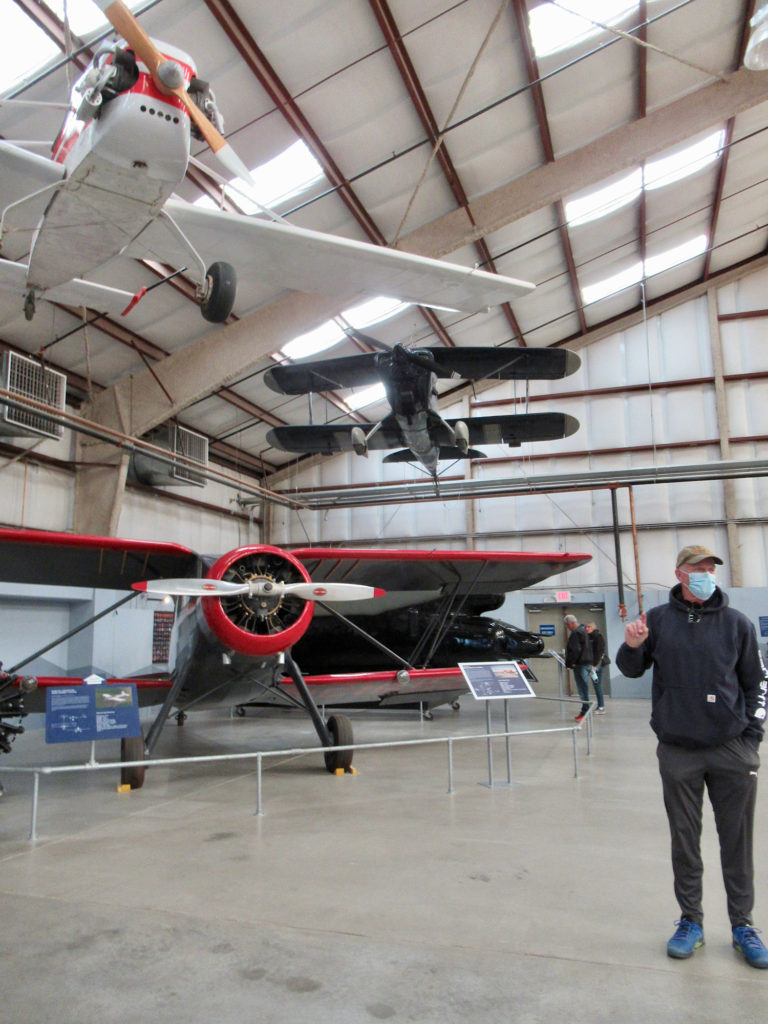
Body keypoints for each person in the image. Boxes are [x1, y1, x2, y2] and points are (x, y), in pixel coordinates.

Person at [616, 544, 768, 968]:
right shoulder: (658, 621)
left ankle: (743, 925)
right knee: (685, 842)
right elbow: (631, 669)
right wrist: (631, 646)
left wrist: (751, 740)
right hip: (679, 751)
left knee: (736, 842)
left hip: (731, 750)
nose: (705, 573)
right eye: (697, 568)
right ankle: (691, 922)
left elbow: (757, 685)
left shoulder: (737, 624)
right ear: (680, 574)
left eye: (710, 568)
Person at [564, 614, 601, 722]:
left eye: (567, 625)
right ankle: (584, 711)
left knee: (582, 689)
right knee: (584, 688)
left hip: (580, 664)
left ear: (570, 623)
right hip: (587, 663)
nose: (567, 627)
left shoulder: (576, 633)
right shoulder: (583, 631)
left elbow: (575, 650)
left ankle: (585, 712)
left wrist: (571, 663)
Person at [585, 621, 607, 714]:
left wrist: (594, 665)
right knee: (595, 685)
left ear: (593, 627)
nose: (587, 629)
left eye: (589, 627)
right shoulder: (588, 638)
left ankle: (601, 707)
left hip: (597, 665)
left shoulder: (598, 637)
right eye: (586, 627)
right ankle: (599, 706)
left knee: (597, 685)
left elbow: (599, 652)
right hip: (591, 664)